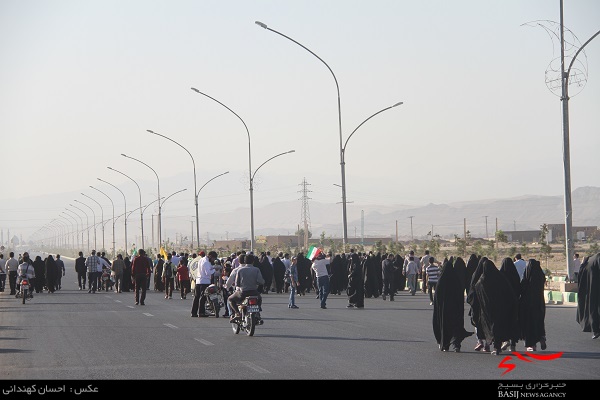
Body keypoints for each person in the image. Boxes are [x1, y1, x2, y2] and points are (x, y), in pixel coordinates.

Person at [473, 258, 519, 355]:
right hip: (501, 309)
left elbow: (476, 292)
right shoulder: (501, 278)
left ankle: (491, 345)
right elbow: (509, 293)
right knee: (499, 327)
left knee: (491, 328)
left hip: (487, 311)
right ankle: (497, 347)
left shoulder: (481, 281)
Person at [433, 258, 474, 352]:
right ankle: (456, 345)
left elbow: (437, 300)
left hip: (444, 312)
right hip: (455, 311)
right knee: (455, 326)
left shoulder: (440, 283)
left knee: (445, 327)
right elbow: (460, 298)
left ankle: (445, 345)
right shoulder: (456, 283)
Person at [225, 253, 265, 323]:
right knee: (259, 299)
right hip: (254, 292)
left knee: (230, 299)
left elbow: (237, 284)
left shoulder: (240, 270)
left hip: (242, 292)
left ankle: (237, 313)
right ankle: (257, 313)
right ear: (253, 261)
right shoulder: (256, 269)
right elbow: (261, 281)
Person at [519, 259, 547, 351]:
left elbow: (522, 287)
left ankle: (531, 344)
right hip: (539, 302)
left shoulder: (527, 276)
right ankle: (541, 337)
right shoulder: (540, 275)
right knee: (539, 321)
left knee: (529, 324)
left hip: (528, 304)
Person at [499, 257, 522, 352]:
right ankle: (513, 345)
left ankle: (505, 340)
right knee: (513, 322)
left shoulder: (501, 276)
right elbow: (519, 288)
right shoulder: (515, 276)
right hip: (514, 303)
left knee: (503, 323)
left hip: (503, 304)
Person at [577, 253, 600, 339]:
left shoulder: (589, 261)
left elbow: (581, 276)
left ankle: (596, 330)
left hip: (591, 292)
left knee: (593, 310)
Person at [190, 251, 218, 318]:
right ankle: (201, 312)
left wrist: (213, 267)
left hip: (199, 280)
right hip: (204, 281)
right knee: (203, 297)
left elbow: (208, 268)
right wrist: (215, 270)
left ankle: (194, 312)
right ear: (210, 256)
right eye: (213, 258)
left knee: (197, 297)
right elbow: (208, 272)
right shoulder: (206, 262)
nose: (213, 260)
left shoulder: (201, 260)